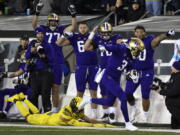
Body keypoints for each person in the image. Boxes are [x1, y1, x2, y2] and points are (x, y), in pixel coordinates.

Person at [79, 37, 145, 131]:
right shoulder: (121, 48)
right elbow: (107, 46)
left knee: (109, 102)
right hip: (107, 77)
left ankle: (88, 100)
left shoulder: (132, 58)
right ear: (133, 48)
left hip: (116, 79)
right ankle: (127, 123)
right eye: (138, 50)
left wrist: (133, 75)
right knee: (123, 97)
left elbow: (129, 70)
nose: (138, 53)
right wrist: (104, 46)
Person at [32, 1, 77, 113]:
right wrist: (37, 12)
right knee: (43, 88)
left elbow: (73, 27)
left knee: (55, 88)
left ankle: (55, 110)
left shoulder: (61, 29)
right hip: (44, 62)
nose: (53, 22)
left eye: (54, 21)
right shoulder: (43, 29)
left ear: (57, 22)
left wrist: (73, 15)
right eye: (51, 20)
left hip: (57, 62)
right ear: (48, 21)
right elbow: (34, 25)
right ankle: (43, 108)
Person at [125, 25, 175, 122]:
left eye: (141, 32)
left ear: (145, 32)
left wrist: (167, 34)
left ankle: (145, 116)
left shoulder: (149, 39)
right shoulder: (131, 41)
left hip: (147, 71)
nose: (139, 34)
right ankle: (134, 110)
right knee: (127, 93)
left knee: (145, 95)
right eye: (137, 32)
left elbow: (157, 40)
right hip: (134, 71)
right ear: (134, 33)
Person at [56, 22, 98, 119]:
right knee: (80, 92)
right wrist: (64, 35)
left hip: (93, 66)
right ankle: (76, 112)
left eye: (84, 27)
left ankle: (94, 114)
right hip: (81, 67)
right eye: (81, 27)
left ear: (87, 28)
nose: (82, 29)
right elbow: (58, 43)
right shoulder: (74, 36)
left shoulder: (93, 36)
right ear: (78, 28)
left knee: (93, 91)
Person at [84, 22, 123, 123]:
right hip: (102, 70)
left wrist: (108, 47)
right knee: (103, 93)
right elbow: (86, 47)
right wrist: (92, 32)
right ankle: (106, 113)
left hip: (113, 69)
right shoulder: (97, 39)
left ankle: (112, 114)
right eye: (104, 33)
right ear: (100, 33)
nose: (105, 35)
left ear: (111, 32)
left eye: (107, 33)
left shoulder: (116, 38)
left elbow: (121, 47)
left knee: (113, 92)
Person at [5, 93, 116, 128]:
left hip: (50, 117)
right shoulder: (67, 112)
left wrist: (105, 124)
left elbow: (90, 120)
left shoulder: (76, 110)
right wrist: (106, 126)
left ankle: (23, 98)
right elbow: (84, 124)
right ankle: (17, 100)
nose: (80, 108)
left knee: (36, 113)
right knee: (28, 117)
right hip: (46, 120)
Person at [25, 28, 54, 113]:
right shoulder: (32, 43)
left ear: (44, 34)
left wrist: (44, 57)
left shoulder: (48, 45)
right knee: (33, 94)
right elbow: (26, 56)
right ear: (36, 34)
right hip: (34, 73)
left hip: (45, 73)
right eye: (38, 33)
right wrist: (31, 51)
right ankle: (34, 114)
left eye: (41, 33)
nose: (40, 35)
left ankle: (47, 113)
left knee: (45, 94)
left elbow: (52, 59)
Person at [152, 60, 180, 129]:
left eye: (173, 66)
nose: (171, 68)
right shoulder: (174, 75)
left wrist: (160, 92)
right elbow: (169, 86)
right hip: (174, 103)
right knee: (174, 126)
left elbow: (174, 91)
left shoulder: (178, 77)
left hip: (176, 104)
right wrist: (160, 82)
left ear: (177, 69)